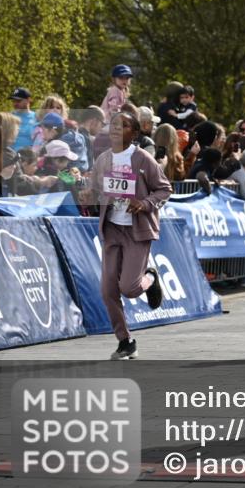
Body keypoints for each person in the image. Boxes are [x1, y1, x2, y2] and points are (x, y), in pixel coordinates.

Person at [85, 112, 170, 359]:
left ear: (133, 132)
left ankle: (151, 278)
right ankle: (125, 341)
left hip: (137, 231)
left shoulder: (143, 159)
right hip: (112, 229)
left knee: (130, 288)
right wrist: (88, 196)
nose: (115, 131)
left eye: (121, 127)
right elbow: (96, 190)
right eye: (112, 126)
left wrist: (143, 204)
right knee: (107, 290)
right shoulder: (103, 159)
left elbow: (164, 189)